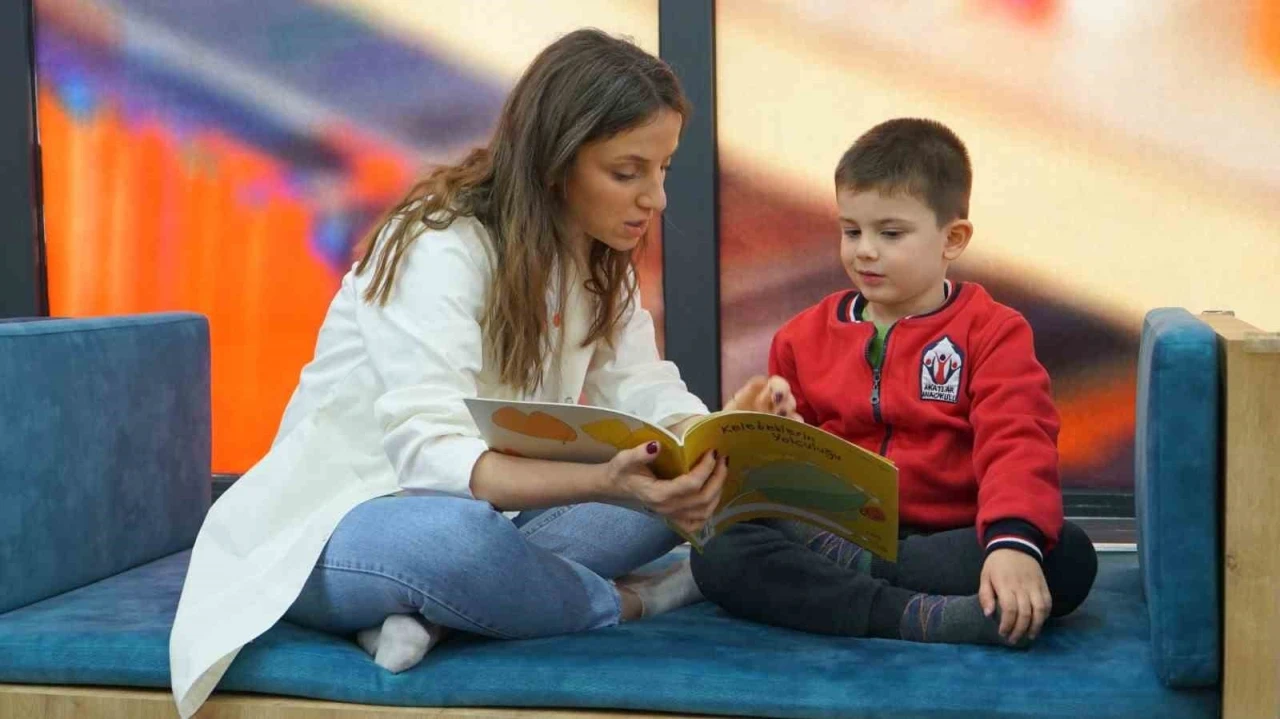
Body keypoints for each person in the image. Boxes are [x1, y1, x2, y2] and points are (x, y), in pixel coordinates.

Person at [168, 29, 796, 719]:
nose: (657, 199)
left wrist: (715, 431)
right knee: (456, 544)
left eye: (663, 169)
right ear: (557, 163)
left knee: (679, 497)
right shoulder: (438, 243)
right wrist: (602, 481)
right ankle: (628, 601)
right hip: (339, 530)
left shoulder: (597, 262)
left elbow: (646, 392)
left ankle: (447, 615)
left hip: (503, 520)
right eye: (628, 173)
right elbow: (431, 457)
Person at [692, 118, 1098, 649]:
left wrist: (1011, 546)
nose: (864, 250)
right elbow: (785, 478)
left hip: (950, 539)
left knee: (1065, 556)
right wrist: (774, 430)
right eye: (851, 231)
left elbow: (1017, 442)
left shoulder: (995, 331)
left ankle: (858, 587)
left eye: (890, 234)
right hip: (840, 531)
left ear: (953, 239)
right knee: (716, 551)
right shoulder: (800, 337)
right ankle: (916, 616)